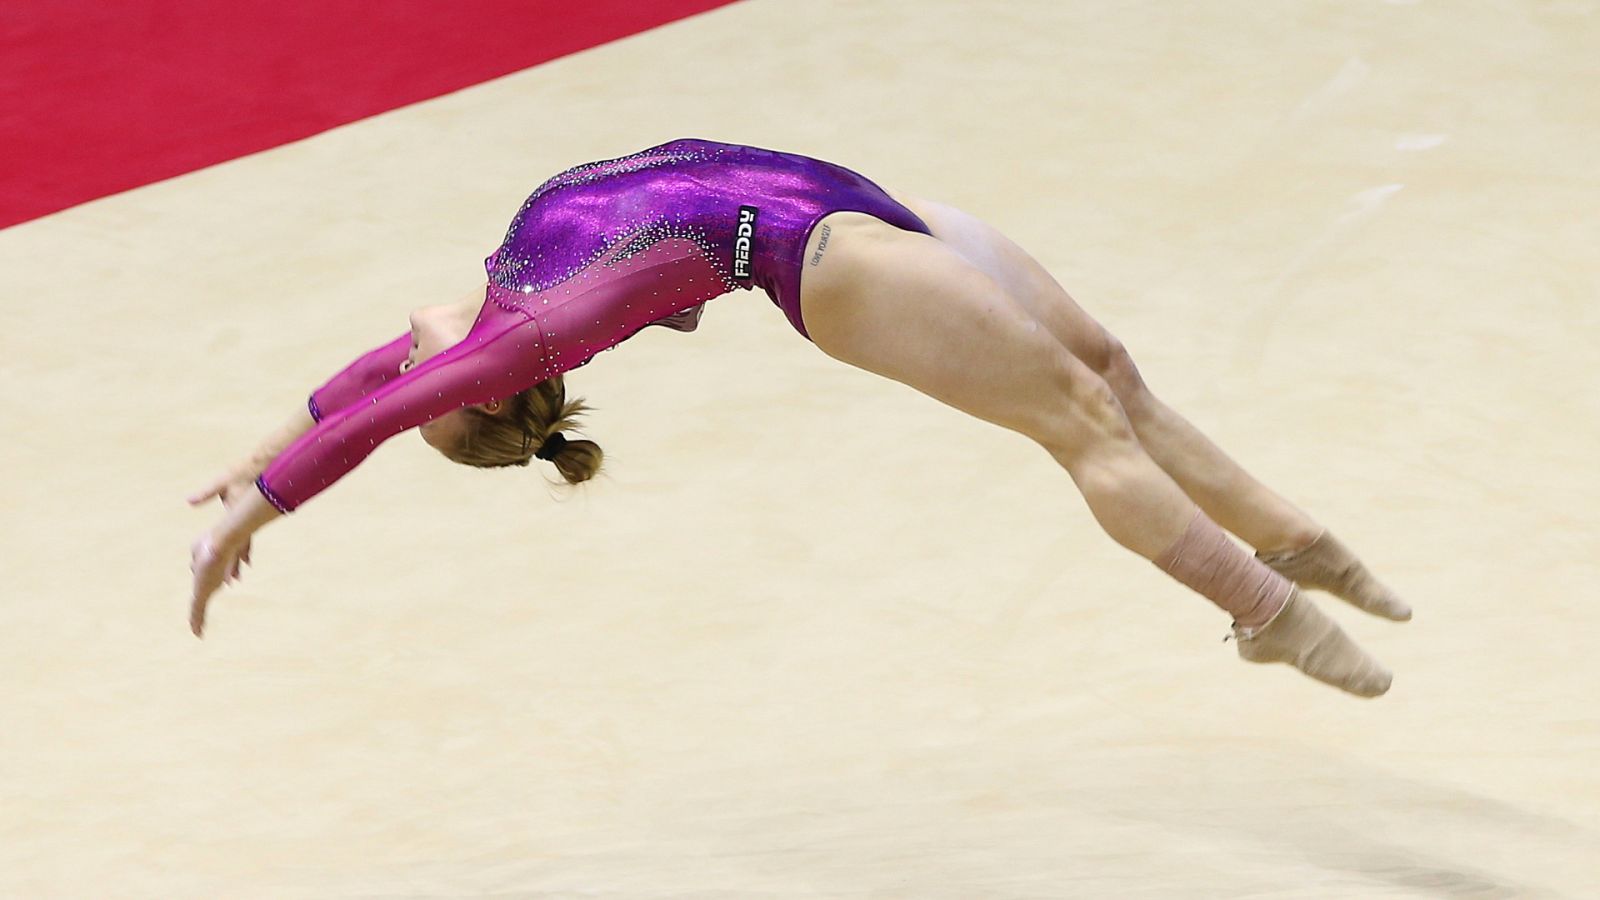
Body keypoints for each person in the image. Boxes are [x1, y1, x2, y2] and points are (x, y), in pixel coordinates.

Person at [188, 138, 1410, 696]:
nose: (408, 371)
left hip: (855, 200)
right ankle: (1269, 615)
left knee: (1111, 370)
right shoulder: (515, 337)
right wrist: (251, 515)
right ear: (480, 395)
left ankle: (1295, 541)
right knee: (1081, 419)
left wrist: (250, 452)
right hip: (827, 265)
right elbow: (362, 419)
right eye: (432, 407)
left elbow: (352, 387)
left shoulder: (489, 300)